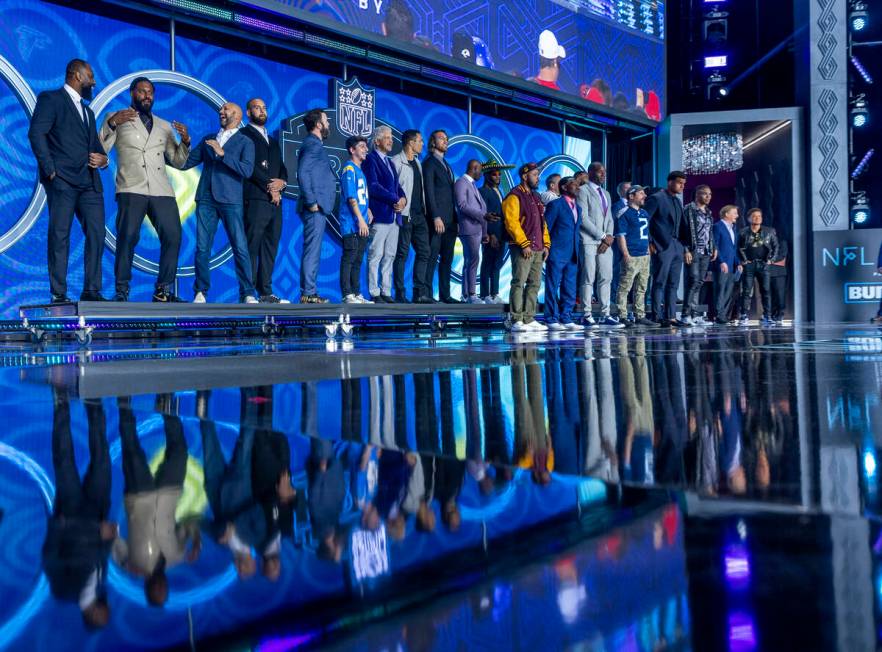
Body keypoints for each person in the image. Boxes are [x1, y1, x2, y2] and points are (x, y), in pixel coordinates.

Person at [99, 76, 189, 303]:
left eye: (150, 92)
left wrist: (185, 141)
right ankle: (121, 291)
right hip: (131, 186)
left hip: (161, 189)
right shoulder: (116, 117)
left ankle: (163, 291)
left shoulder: (163, 125)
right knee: (127, 237)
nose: (147, 95)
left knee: (173, 236)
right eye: (142, 91)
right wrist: (112, 124)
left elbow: (177, 161)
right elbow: (100, 147)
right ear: (132, 93)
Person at [28, 58, 109, 303]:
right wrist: (49, 170)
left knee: (96, 233)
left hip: (89, 184)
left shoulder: (89, 111)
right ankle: (59, 293)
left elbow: (96, 146)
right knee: (59, 235)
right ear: (76, 75)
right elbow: (36, 133)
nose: (94, 81)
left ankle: (91, 290)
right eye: (90, 76)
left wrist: (103, 160)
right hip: (61, 180)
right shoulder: (50, 99)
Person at [113, 396, 200, 607]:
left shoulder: (132, 564)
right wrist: (196, 539)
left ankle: (124, 403)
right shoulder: (177, 555)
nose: (160, 587)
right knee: (179, 452)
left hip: (139, 498)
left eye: (156, 591)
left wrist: (113, 538)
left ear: (148, 588)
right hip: (169, 494)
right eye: (164, 590)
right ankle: (166, 403)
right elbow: (189, 523)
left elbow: (111, 537)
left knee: (132, 451)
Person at [42, 392, 115, 629]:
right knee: (103, 457)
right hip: (98, 509)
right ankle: (94, 399)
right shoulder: (101, 584)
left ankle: (60, 402)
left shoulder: (63, 591)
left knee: (64, 458)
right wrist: (109, 537)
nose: (108, 612)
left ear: (92, 617)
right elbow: (101, 553)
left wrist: (56, 526)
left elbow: (50, 559)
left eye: (104, 617)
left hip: (71, 517)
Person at [182, 102, 257, 303]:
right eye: (221, 110)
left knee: (240, 246)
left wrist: (223, 155)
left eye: (226, 109)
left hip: (231, 199)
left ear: (238, 116)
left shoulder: (245, 141)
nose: (221, 111)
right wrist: (185, 141)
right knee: (202, 247)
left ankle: (248, 292)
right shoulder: (208, 138)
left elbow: (247, 170)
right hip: (206, 198)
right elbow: (186, 162)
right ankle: (200, 291)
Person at [240, 98, 289, 303]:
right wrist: (270, 186)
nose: (262, 111)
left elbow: (282, 169)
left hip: (275, 202)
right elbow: (250, 167)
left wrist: (282, 183)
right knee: (252, 245)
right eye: (257, 108)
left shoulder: (274, 141)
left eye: (264, 108)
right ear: (248, 113)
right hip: (256, 197)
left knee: (270, 245)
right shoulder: (243, 135)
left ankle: (265, 291)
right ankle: (248, 291)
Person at [503, 162, 550, 332]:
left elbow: (542, 224)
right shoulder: (514, 195)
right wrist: (524, 243)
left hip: (537, 248)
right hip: (522, 247)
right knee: (519, 282)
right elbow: (511, 222)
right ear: (524, 176)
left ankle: (529, 318)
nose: (538, 178)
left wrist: (546, 244)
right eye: (535, 175)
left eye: (538, 175)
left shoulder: (536, 197)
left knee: (534, 284)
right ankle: (516, 319)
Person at [363, 125, 406, 303]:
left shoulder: (389, 162)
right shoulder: (371, 159)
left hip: (395, 217)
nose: (391, 140)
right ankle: (374, 292)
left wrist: (403, 199)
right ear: (377, 141)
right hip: (381, 216)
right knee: (376, 255)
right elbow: (373, 186)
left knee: (390, 255)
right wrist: (395, 198)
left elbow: (398, 187)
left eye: (391, 138)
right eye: (387, 137)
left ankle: (386, 291)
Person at [296, 108, 335, 304]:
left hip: (318, 206)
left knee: (314, 249)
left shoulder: (314, 144)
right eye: (326, 121)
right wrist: (311, 202)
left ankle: (309, 292)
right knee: (312, 249)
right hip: (314, 207)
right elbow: (302, 173)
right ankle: (308, 293)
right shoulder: (312, 144)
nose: (328, 125)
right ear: (318, 124)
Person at [577, 162, 622, 328]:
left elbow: (609, 218)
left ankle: (605, 314)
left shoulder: (606, 193)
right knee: (588, 277)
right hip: (589, 240)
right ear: (590, 172)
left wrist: (609, 237)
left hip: (605, 243)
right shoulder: (582, 191)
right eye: (600, 172)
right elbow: (583, 218)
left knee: (606, 278)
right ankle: (586, 314)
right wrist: (602, 235)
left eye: (604, 171)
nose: (603, 174)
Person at [645, 170, 691, 327]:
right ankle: (656, 316)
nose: (682, 186)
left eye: (684, 184)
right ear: (670, 182)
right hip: (662, 245)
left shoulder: (678, 201)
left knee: (673, 283)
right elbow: (645, 221)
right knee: (659, 281)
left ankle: (670, 316)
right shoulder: (656, 198)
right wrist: (650, 242)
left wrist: (685, 248)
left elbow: (682, 226)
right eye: (679, 183)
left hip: (677, 245)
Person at [391, 129, 432, 303]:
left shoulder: (418, 163)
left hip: (419, 215)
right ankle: (400, 292)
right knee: (402, 254)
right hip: (404, 215)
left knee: (425, 252)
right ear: (410, 143)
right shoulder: (396, 162)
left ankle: (419, 292)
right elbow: (391, 188)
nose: (422, 144)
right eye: (420, 141)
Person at [543, 176, 584, 331]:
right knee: (552, 285)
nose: (578, 186)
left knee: (570, 286)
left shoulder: (578, 208)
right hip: (557, 251)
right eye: (574, 184)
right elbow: (546, 227)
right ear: (565, 187)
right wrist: (547, 247)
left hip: (573, 252)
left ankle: (566, 316)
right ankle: (551, 317)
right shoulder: (556, 204)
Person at [614, 185, 657, 327]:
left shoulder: (644, 213)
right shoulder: (624, 213)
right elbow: (621, 235)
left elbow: (647, 233)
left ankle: (640, 315)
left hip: (644, 255)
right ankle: (622, 315)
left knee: (642, 287)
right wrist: (625, 253)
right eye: (641, 193)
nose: (644, 196)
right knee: (625, 286)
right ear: (631, 196)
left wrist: (649, 248)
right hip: (632, 255)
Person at [423, 130, 458, 303]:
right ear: (432, 142)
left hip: (451, 221)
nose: (445, 141)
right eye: (441, 138)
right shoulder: (429, 163)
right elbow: (429, 192)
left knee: (447, 259)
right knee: (431, 256)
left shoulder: (447, 164)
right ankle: (426, 293)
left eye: (446, 139)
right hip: (437, 220)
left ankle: (445, 294)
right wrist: (435, 216)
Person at [338, 136, 373, 304]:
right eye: (361, 146)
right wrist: (360, 219)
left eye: (366, 146)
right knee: (350, 257)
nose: (365, 149)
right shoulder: (349, 169)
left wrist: (369, 211)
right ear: (352, 150)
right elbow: (351, 197)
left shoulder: (360, 170)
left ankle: (357, 293)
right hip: (351, 223)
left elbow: (360, 196)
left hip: (362, 222)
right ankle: (347, 294)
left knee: (359, 259)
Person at [455, 159, 489, 303]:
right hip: (468, 227)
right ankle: (470, 294)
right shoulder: (461, 183)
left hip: (477, 229)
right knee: (472, 260)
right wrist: (482, 216)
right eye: (480, 170)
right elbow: (462, 205)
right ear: (474, 168)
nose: (481, 174)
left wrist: (485, 232)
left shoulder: (472, 185)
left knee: (472, 261)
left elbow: (482, 208)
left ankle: (467, 294)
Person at [477, 159, 511, 304]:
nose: (498, 177)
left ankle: (494, 293)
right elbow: (484, 214)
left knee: (497, 263)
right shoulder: (482, 191)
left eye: (499, 174)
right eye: (494, 175)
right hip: (491, 232)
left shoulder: (499, 191)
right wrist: (490, 234)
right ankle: (485, 294)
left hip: (501, 231)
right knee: (487, 262)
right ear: (486, 175)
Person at [737, 208, 778, 325]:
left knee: (765, 290)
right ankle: (743, 315)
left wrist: (771, 260)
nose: (758, 218)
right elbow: (738, 248)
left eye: (759, 216)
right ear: (749, 218)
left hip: (763, 264)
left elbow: (775, 246)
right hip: (749, 265)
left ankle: (767, 315)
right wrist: (743, 260)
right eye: (754, 216)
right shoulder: (743, 232)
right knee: (746, 291)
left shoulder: (769, 231)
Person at [683, 185, 717, 325]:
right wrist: (686, 250)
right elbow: (683, 231)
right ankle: (686, 314)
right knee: (693, 281)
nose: (708, 197)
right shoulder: (688, 210)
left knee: (700, 282)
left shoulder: (708, 212)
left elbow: (710, 231)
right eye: (705, 194)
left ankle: (696, 314)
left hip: (706, 252)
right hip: (693, 250)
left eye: (710, 194)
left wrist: (713, 247)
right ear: (697, 194)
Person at [712, 205, 742, 325]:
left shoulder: (733, 228)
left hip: (731, 264)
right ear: (726, 214)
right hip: (722, 264)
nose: (737, 216)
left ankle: (724, 314)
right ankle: (719, 315)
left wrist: (738, 263)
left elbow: (733, 248)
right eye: (734, 213)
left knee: (728, 290)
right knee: (720, 290)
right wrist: (721, 261)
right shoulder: (717, 227)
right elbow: (715, 246)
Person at [610, 180, 632, 306]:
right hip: (618, 246)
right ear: (620, 191)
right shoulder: (616, 206)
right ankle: (614, 300)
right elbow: (614, 226)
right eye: (627, 188)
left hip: (632, 246)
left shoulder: (635, 206)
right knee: (617, 272)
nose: (630, 190)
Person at [768, 239, 788, 324]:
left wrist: (770, 260)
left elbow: (782, 255)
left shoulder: (782, 242)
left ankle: (780, 313)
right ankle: (771, 314)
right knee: (769, 295)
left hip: (779, 272)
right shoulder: (765, 241)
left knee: (780, 294)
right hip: (767, 272)